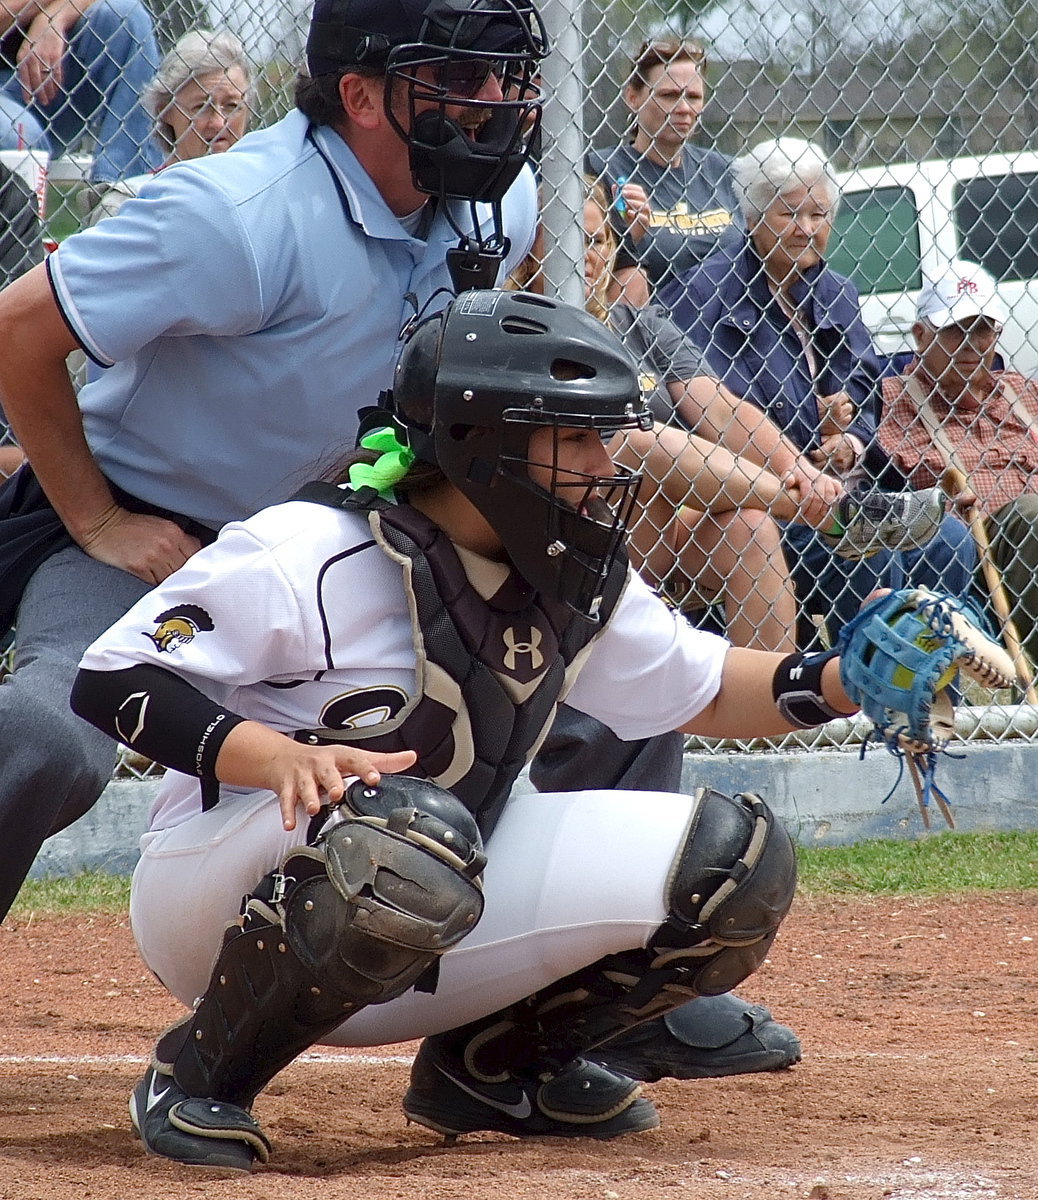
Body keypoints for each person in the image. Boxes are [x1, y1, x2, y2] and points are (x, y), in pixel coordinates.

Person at [69, 290, 863, 1169]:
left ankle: (497, 1069)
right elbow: (112, 675)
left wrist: (845, 679)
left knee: (736, 861)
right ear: (483, 446)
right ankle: (199, 1073)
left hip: (431, 879)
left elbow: (707, 689)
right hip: (218, 898)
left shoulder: (565, 565)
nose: (608, 461)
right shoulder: (308, 549)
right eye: (576, 438)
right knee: (406, 829)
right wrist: (276, 756)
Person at [0, 0, 547, 924]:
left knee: (578, 684)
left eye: (501, 74)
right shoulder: (238, 216)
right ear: (361, 96)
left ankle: (566, 1028)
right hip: (158, 527)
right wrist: (99, 520)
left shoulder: (501, 200)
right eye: (456, 79)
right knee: (55, 734)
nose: (493, 101)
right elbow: (17, 329)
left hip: (332, 542)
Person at [660, 138, 976, 647]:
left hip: (846, 487)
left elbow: (869, 394)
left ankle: (935, 700)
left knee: (951, 542)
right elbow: (709, 415)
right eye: (790, 213)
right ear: (754, 215)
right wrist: (802, 444)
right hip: (767, 500)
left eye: (819, 213)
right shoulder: (705, 293)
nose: (807, 228)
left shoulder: (837, 292)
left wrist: (850, 439)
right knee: (867, 546)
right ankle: (870, 697)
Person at [877, 259, 1038, 664]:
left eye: (983, 328)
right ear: (920, 334)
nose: (972, 342)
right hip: (973, 552)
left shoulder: (1021, 390)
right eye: (956, 328)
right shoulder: (892, 398)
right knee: (1032, 516)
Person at [586, 36, 740, 296]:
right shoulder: (601, 169)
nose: (683, 108)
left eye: (693, 96)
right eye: (668, 95)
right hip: (649, 326)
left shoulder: (724, 171)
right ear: (633, 98)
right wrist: (627, 239)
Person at [82, 27, 252, 225]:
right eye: (201, 107)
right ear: (166, 112)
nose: (219, 122)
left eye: (232, 106)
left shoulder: (261, 198)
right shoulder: (128, 208)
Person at [0, 0, 161, 181]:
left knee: (126, 15)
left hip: (53, 76)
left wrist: (55, 18)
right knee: (15, 139)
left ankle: (125, 193)